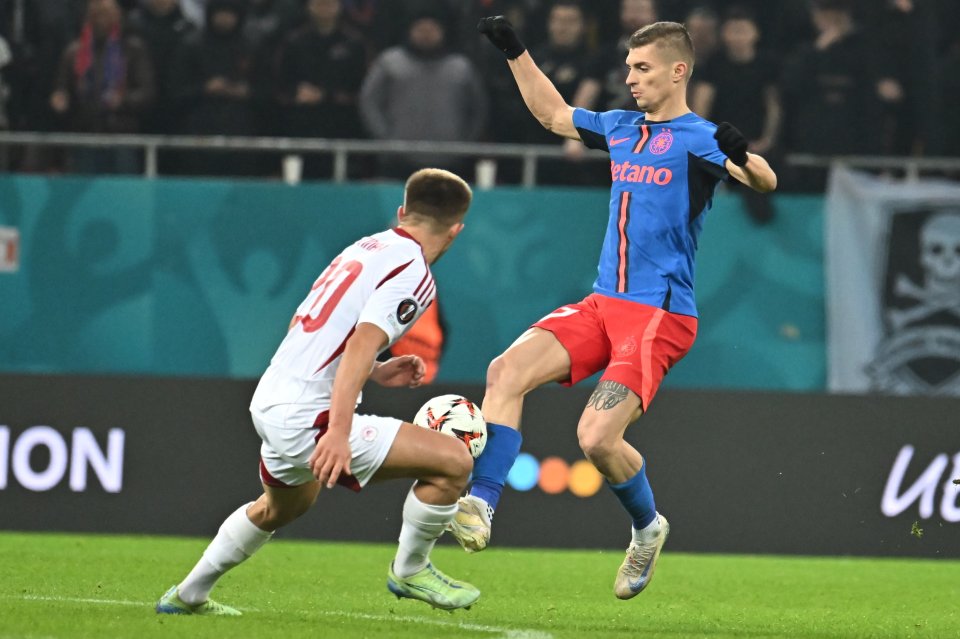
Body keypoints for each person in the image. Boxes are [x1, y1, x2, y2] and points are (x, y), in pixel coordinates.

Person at [455, 16, 776, 600]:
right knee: (505, 371)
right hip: (604, 304)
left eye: (642, 68)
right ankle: (481, 502)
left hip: (660, 315)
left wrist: (743, 154)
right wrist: (515, 52)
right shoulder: (622, 128)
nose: (630, 78)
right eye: (629, 66)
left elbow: (764, 181)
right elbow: (554, 114)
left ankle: (648, 527)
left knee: (598, 439)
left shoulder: (700, 138)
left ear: (679, 71)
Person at [155, 168, 481, 615]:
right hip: (311, 415)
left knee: (280, 508)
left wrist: (378, 371)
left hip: (271, 398)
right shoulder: (415, 272)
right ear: (456, 231)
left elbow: (305, 326)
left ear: (402, 212)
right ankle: (410, 570)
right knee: (454, 462)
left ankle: (187, 595)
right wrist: (337, 431)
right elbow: (360, 343)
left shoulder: (364, 248)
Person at [691, 6, 780, 223]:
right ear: (724, 34)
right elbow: (703, 103)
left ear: (755, 33)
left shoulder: (767, 65)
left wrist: (767, 140)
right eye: (733, 31)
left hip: (757, 144)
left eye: (743, 31)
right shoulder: (714, 65)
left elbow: (774, 105)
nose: (738, 37)